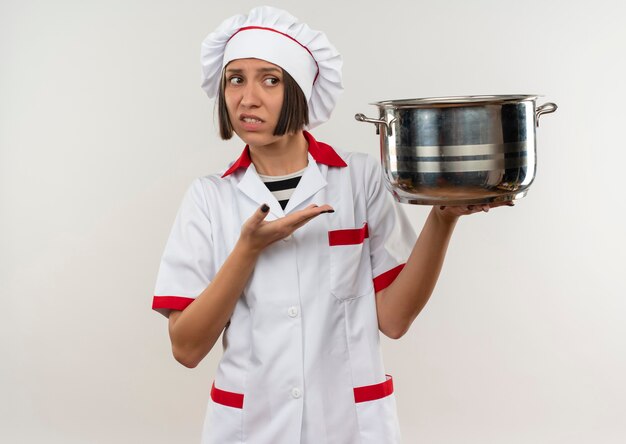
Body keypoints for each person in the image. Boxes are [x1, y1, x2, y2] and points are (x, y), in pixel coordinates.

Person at [152, 6, 512, 444]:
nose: (248, 98)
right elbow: (186, 348)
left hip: (350, 425)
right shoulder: (209, 198)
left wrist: (442, 217)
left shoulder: (360, 179)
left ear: (300, 92)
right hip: (249, 429)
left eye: (270, 79)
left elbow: (395, 320)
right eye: (235, 79)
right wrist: (247, 250)